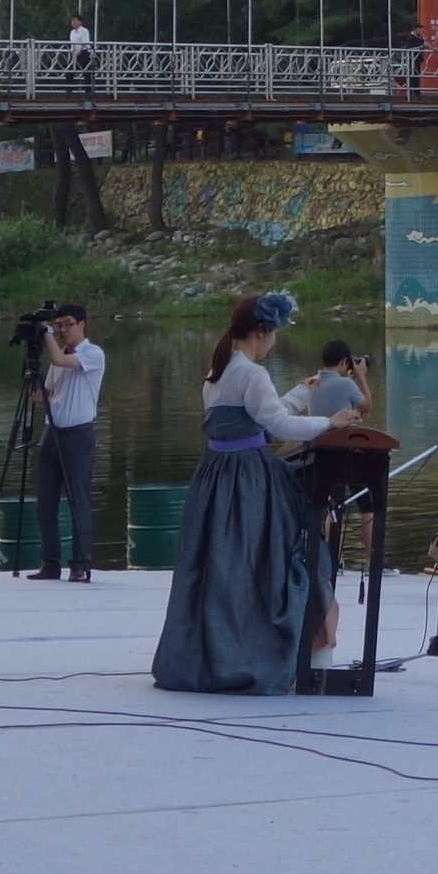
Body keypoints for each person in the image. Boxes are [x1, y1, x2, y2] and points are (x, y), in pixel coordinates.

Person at [154, 291, 359, 695]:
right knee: (271, 560)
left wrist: (300, 393)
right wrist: (330, 422)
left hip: (215, 477)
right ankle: (274, 652)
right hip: (247, 480)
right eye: (275, 334)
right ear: (262, 332)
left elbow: (257, 420)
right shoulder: (251, 374)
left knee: (220, 568)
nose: (275, 341)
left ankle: (210, 655)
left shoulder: (217, 373)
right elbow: (278, 427)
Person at [25, 304, 103, 582]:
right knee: (44, 503)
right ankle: (50, 563)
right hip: (52, 432)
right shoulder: (59, 358)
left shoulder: (92, 354)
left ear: (82, 324)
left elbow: (58, 359)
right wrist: (32, 387)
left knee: (77, 499)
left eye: (67, 324)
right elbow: (49, 392)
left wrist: (44, 330)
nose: (62, 330)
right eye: (58, 325)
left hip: (78, 435)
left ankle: (80, 563)